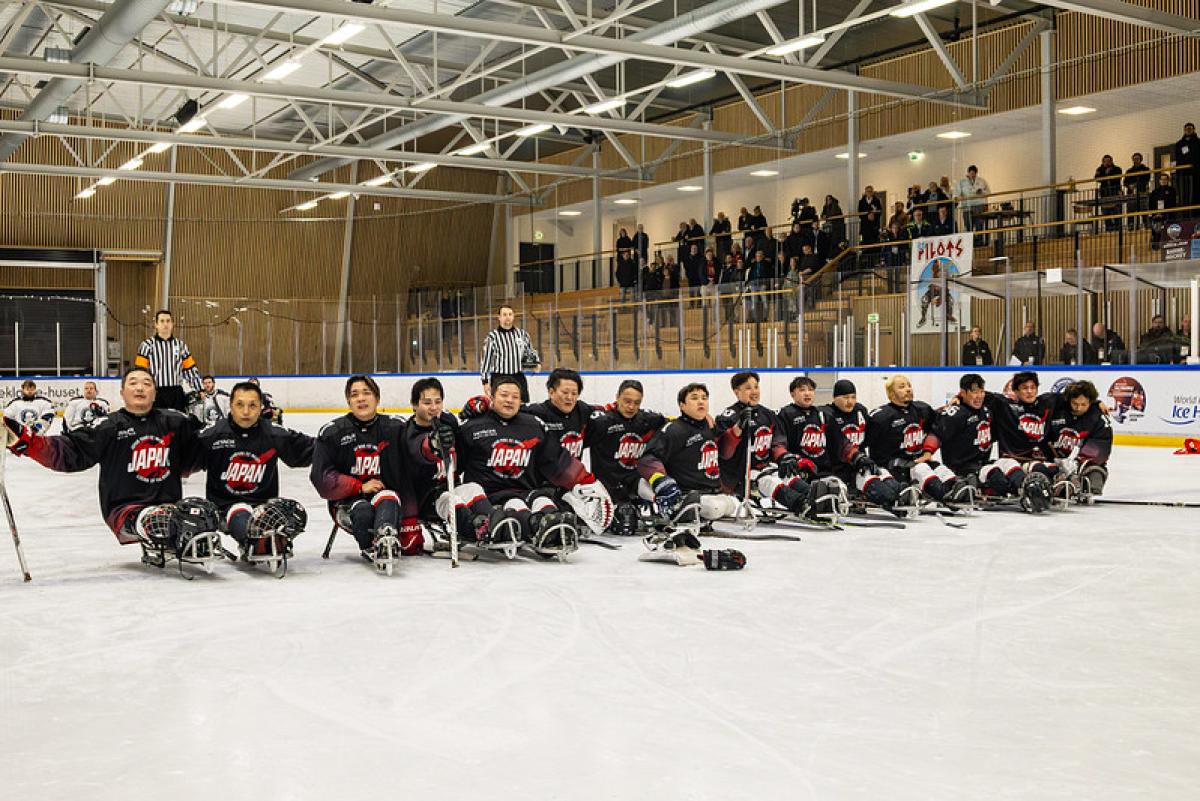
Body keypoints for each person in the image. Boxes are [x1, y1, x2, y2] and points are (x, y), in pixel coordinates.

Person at [4, 367, 215, 570]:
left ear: (155, 393)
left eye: (146, 383)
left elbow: (204, 451)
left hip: (169, 505)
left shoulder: (175, 422)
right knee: (160, 520)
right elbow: (69, 451)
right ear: (122, 393)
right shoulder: (108, 426)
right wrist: (28, 443)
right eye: (133, 383)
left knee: (202, 513)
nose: (140, 388)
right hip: (125, 509)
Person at [448, 374, 614, 559]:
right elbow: (453, 468)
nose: (510, 400)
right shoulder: (472, 427)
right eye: (504, 395)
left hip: (523, 491)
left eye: (515, 397)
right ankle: (519, 525)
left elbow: (556, 460)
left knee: (541, 499)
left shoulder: (534, 425)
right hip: (486, 496)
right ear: (492, 397)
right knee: (512, 506)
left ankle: (550, 525)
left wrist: (584, 479)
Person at [192, 380, 312, 563]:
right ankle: (253, 540)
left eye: (252, 405)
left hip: (265, 507)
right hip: (226, 507)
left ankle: (258, 540)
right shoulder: (212, 434)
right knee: (242, 514)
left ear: (261, 407)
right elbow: (181, 458)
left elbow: (316, 449)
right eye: (240, 405)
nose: (246, 411)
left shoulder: (274, 433)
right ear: (231, 406)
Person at [309, 375, 411, 572]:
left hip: (385, 499)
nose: (361, 398)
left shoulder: (396, 427)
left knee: (388, 497)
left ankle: (386, 538)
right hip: (346, 503)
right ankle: (370, 546)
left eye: (367, 393)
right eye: (354, 395)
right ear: (348, 401)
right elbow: (321, 478)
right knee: (363, 511)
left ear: (377, 398)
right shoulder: (333, 432)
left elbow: (417, 449)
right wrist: (358, 486)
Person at [932, 374, 1048, 513]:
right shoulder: (956, 412)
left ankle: (1026, 487)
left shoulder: (987, 410)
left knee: (1009, 463)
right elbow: (937, 432)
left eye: (981, 391)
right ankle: (1012, 491)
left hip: (982, 463)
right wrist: (927, 452)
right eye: (974, 391)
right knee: (995, 475)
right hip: (963, 467)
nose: (979, 396)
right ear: (963, 392)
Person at [865, 374, 963, 504]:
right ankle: (945, 494)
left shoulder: (922, 409)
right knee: (921, 469)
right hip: (894, 469)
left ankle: (957, 488)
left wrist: (928, 452)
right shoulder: (881, 416)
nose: (908, 389)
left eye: (909, 385)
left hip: (917, 461)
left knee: (939, 468)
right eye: (902, 387)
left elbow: (938, 426)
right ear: (891, 394)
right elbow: (863, 442)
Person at [583, 379, 667, 510]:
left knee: (665, 491)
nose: (631, 407)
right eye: (627, 401)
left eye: (637, 403)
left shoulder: (648, 420)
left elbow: (674, 427)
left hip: (636, 484)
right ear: (617, 397)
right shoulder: (602, 421)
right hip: (606, 487)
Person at [1046, 380, 1112, 496]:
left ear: (1091, 402)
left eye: (1083, 405)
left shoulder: (1098, 418)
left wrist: (1076, 463)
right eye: (1075, 403)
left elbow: (1101, 444)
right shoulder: (1057, 406)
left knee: (1095, 476)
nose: (1078, 408)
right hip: (1054, 460)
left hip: (1082, 463)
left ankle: (1085, 483)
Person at [134, 309, 203, 414]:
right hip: (156, 392)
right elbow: (140, 372)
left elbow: (190, 369)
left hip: (176, 393)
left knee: (178, 424)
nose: (165, 324)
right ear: (156, 325)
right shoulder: (147, 346)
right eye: (162, 321)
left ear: (172, 324)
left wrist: (199, 389)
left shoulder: (181, 346)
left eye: (168, 321)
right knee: (156, 425)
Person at [479, 302, 540, 402]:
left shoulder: (523, 334)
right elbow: (486, 361)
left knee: (523, 407)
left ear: (513, 316)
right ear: (499, 317)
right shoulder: (492, 337)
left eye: (510, 314)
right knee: (500, 406)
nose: (508, 317)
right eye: (504, 314)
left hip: (518, 377)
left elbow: (529, 352)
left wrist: (535, 364)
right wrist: (485, 382)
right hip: (499, 378)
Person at [955, 165, 990, 233]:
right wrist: (956, 198)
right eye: (971, 174)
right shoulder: (961, 182)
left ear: (976, 173)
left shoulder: (982, 181)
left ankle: (979, 242)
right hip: (967, 206)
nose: (972, 176)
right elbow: (957, 193)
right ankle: (970, 242)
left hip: (979, 206)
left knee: (979, 225)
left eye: (974, 174)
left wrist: (981, 191)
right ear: (968, 173)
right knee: (968, 225)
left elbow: (988, 192)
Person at [1094, 154, 1123, 231]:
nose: (1107, 163)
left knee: (1117, 211)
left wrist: (1109, 173)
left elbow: (1118, 177)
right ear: (1103, 162)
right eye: (1105, 161)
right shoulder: (1100, 169)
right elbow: (1097, 178)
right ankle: (1108, 229)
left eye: (1108, 161)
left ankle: (1118, 229)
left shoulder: (1117, 169)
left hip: (1115, 192)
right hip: (1104, 193)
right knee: (1106, 212)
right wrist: (1105, 173)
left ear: (1111, 161)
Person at [1173, 121, 1197, 208]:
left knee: (1195, 194)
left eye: (1190, 129)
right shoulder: (1179, 144)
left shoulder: (1198, 142)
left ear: (1194, 130)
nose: (1188, 131)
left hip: (1195, 173)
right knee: (1183, 195)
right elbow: (1178, 158)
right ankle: (1184, 216)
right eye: (1186, 129)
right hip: (1182, 174)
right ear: (1184, 130)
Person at [1124, 152, 1151, 225]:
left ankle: (1146, 226)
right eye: (1134, 159)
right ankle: (1130, 228)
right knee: (1130, 212)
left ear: (1141, 159)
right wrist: (1130, 186)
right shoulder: (1129, 171)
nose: (1136, 160)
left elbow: (1146, 179)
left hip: (1142, 192)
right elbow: (1125, 182)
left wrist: (1136, 185)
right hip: (1131, 194)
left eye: (1137, 159)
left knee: (1144, 211)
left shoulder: (1146, 169)